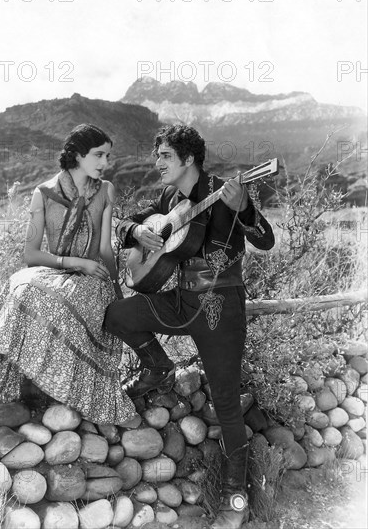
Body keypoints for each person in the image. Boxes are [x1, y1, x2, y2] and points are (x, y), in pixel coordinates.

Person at [104, 124, 275, 528]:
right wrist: (139, 231)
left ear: (188, 159)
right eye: (157, 155)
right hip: (180, 301)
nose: (157, 162)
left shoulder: (225, 189)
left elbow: (265, 240)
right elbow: (128, 223)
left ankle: (236, 498)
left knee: (226, 404)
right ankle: (157, 366)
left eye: (164, 155)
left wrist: (246, 209)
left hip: (220, 307)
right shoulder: (169, 197)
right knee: (116, 315)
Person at [0, 124, 136, 425]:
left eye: (108, 157)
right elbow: (30, 254)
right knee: (22, 285)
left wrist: (115, 289)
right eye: (98, 155)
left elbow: (104, 249)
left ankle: (62, 390)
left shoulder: (106, 191)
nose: (105, 163)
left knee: (64, 299)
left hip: (91, 278)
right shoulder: (43, 194)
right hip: (54, 270)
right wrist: (72, 262)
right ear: (76, 154)